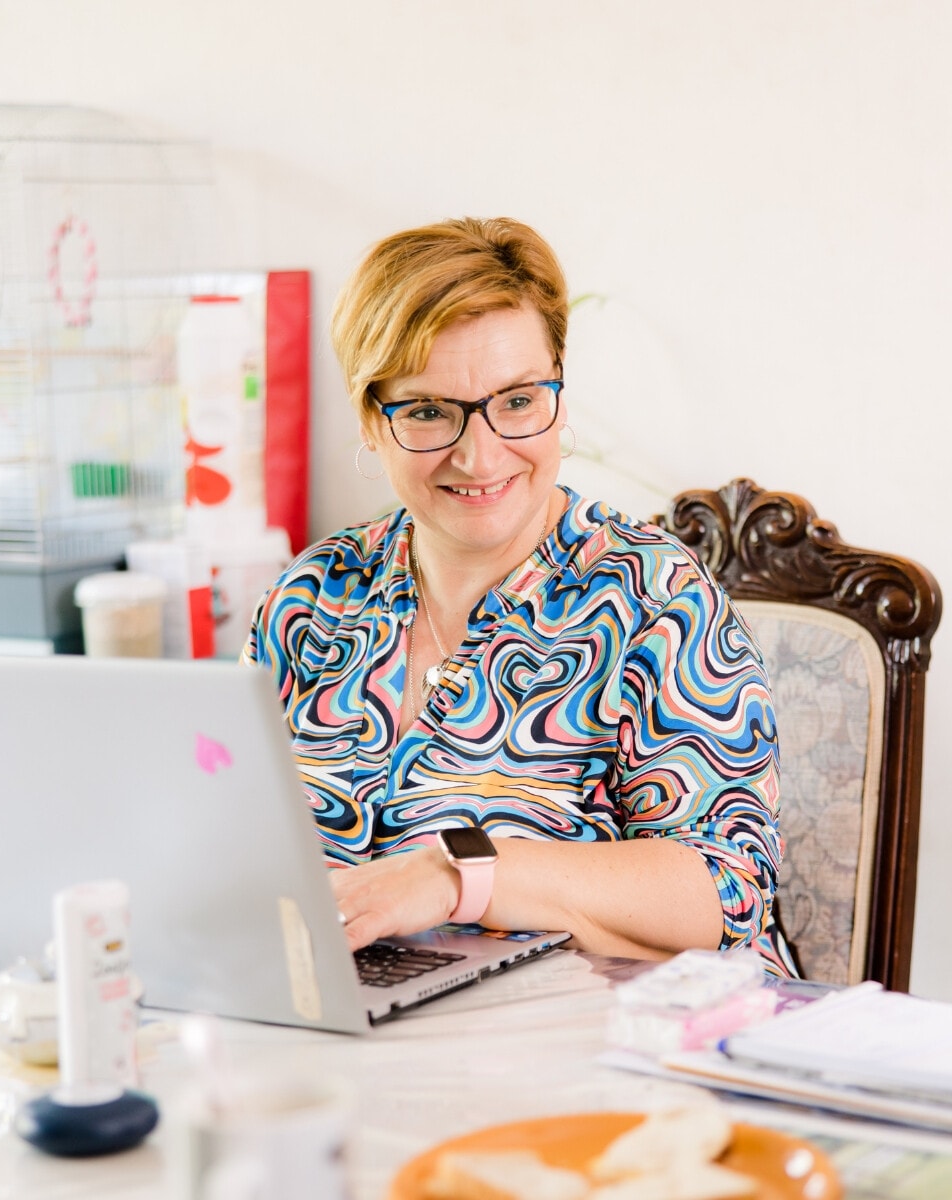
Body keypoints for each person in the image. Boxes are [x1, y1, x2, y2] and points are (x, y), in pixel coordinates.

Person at [243, 216, 796, 976]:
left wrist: (456, 875)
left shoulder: (651, 598)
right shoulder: (310, 599)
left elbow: (726, 893)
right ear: (374, 421)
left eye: (517, 400)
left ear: (560, 398)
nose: (480, 454)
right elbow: (228, 839)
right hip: (345, 1039)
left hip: (598, 1054)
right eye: (429, 411)